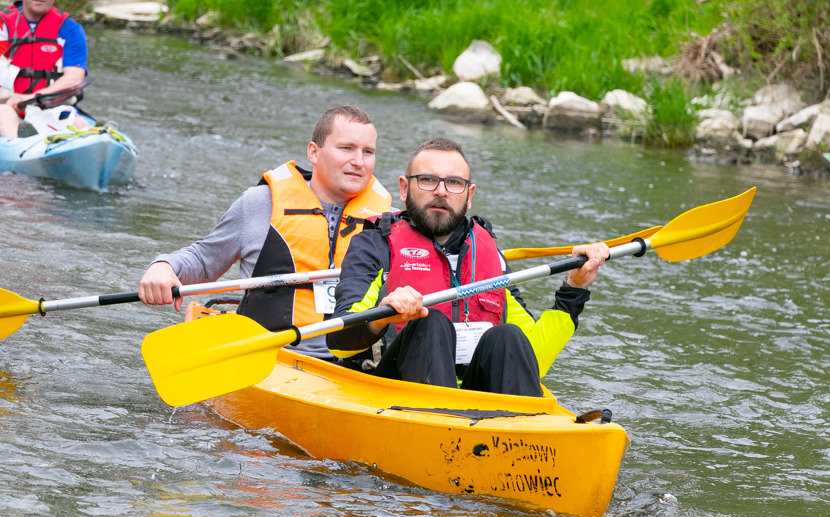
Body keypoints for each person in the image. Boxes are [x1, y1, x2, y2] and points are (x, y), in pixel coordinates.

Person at [327, 137, 609, 396]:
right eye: (427, 180)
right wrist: (383, 315)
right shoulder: (374, 244)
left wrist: (575, 289)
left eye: (454, 183)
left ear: (469, 193)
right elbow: (338, 340)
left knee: (507, 336)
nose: (441, 192)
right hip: (393, 391)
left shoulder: (488, 253)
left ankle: (520, 435)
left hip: (474, 401)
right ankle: (442, 425)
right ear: (404, 187)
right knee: (428, 321)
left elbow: (531, 356)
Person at [139, 105, 392, 360]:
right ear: (313, 152)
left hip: (355, 365)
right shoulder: (260, 203)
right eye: (346, 148)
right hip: (267, 357)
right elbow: (204, 260)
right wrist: (164, 266)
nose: (359, 162)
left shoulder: (389, 220)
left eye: (368, 152)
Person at [0, 0, 88, 138]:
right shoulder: (2, 26)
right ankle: (25, 144)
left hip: (50, 107)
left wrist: (32, 97)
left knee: (79, 123)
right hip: (6, 107)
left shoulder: (70, 29)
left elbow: (74, 78)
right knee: (3, 114)